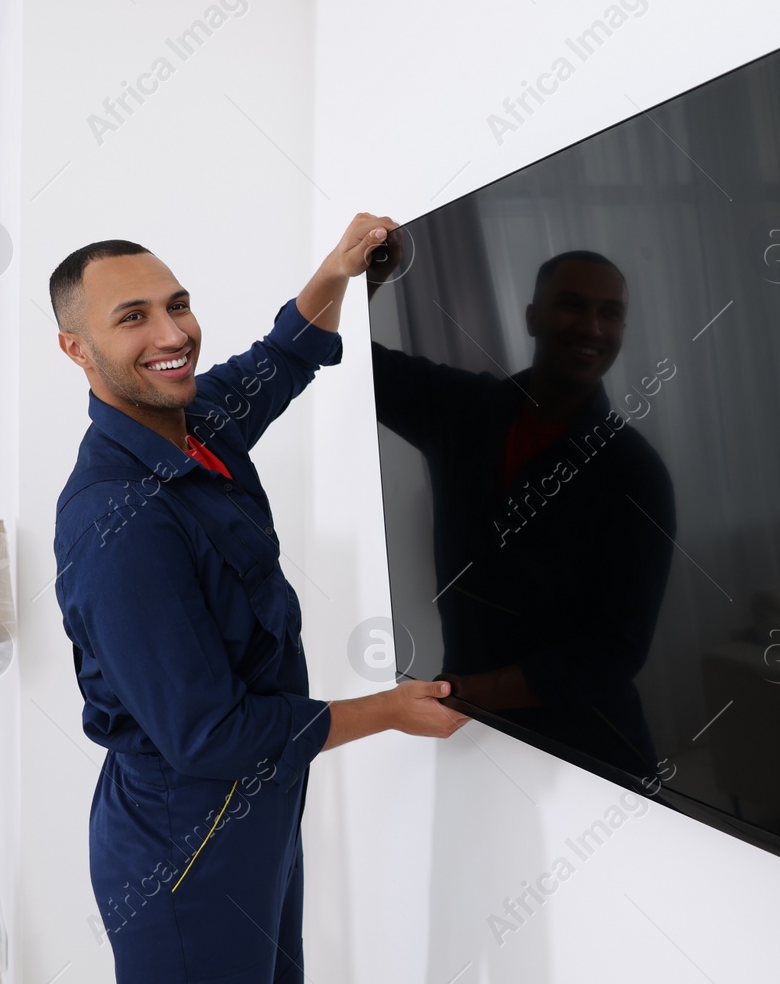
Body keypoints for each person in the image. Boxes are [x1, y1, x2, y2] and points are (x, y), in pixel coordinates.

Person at [50, 213, 468, 983]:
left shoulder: (192, 421)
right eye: (133, 317)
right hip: (184, 838)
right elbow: (210, 735)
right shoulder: (117, 522)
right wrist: (390, 710)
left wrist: (338, 271)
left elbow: (280, 358)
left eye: (178, 303)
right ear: (76, 348)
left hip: (257, 806)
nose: (172, 332)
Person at [367, 249, 675, 779]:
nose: (592, 327)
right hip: (471, 730)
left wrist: (464, 692)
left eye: (611, 313)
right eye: (572, 306)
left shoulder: (636, 472)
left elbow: (614, 652)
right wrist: (365, 282)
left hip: (590, 753)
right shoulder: (463, 408)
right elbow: (346, 362)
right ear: (533, 316)